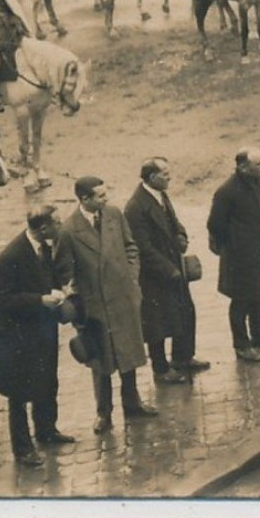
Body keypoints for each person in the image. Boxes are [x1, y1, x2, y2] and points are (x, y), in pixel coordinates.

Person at [0, 205, 76, 467]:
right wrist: (40, 300)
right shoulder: (11, 255)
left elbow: (49, 277)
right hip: (16, 336)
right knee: (19, 392)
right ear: (43, 227)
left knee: (47, 380)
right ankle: (23, 450)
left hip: (41, 329)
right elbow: (0, 299)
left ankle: (46, 430)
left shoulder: (43, 246)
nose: (61, 226)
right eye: (57, 222)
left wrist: (60, 290)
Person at [61, 176, 157, 434]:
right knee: (101, 361)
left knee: (128, 354)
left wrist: (131, 279)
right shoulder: (69, 229)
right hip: (95, 306)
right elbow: (63, 270)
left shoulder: (114, 214)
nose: (107, 199)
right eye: (100, 196)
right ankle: (103, 413)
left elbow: (131, 247)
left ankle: (133, 403)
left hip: (123, 297)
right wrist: (76, 297)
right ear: (85, 199)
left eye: (106, 194)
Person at [125, 157, 207, 385]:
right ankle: (160, 369)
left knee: (185, 311)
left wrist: (181, 235)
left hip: (173, 267)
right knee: (157, 324)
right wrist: (167, 269)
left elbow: (174, 221)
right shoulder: (135, 207)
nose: (170, 177)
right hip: (155, 275)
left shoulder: (160, 194)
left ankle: (183, 357)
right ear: (152, 177)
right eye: (165, 174)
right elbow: (142, 247)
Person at [207, 146, 260, 364]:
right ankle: (242, 345)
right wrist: (231, 247)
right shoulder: (227, 191)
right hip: (239, 258)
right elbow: (215, 224)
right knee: (241, 301)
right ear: (242, 167)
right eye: (257, 164)